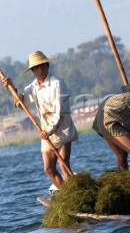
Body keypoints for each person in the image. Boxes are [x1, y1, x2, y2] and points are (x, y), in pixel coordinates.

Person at [2, 51, 78, 191]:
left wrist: (50, 130)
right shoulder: (33, 87)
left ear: (47, 66)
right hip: (45, 131)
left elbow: (59, 111)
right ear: (32, 71)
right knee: (48, 168)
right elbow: (22, 103)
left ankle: (74, 193)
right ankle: (66, 195)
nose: (41, 70)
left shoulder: (57, 83)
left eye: (43, 66)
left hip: (61, 127)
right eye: (37, 68)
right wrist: (12, 88)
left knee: (63, 165)